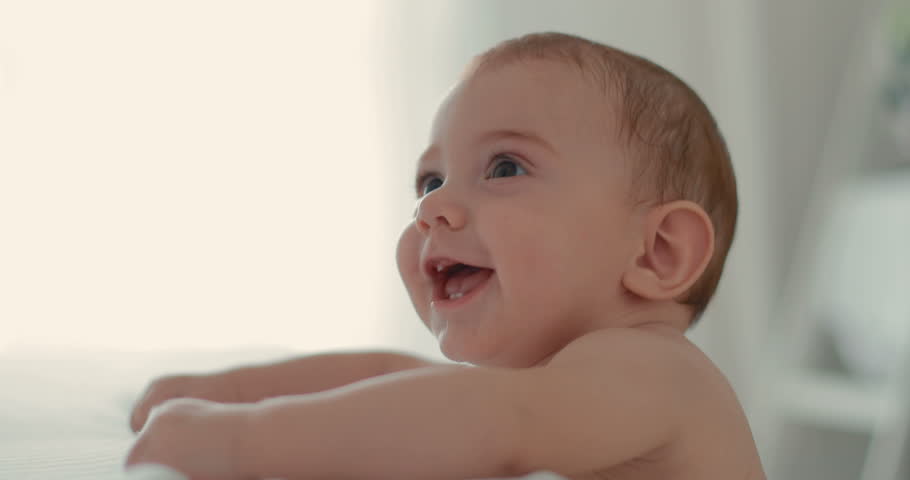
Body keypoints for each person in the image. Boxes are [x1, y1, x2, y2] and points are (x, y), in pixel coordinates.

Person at [126, 32, 766, 480]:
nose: (433, 209)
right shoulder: (552, 384)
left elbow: (483, 424)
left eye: (505, 167)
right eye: (430, 182)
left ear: (657, 253)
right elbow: (392, 381)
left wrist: (244, 443)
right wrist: (231, 391)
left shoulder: (653, 370)